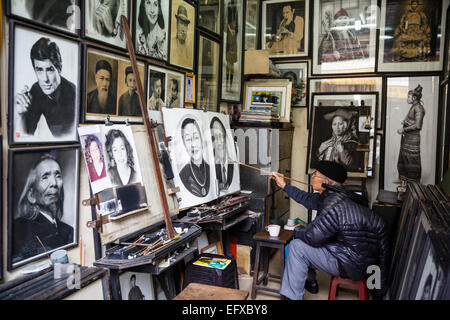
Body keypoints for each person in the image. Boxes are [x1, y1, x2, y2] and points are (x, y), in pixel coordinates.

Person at [270, 160, 388, 300]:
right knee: (306, 236)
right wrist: (284, 185)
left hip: (351, 263)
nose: (312, 176)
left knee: (297, 245)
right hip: (356, 257)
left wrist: (294, 230)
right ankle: (310, 281)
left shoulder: (333, 203)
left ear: (325, 181)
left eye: (315, 175)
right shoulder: (334, 196)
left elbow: (312, 236)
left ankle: (293, 297)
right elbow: (306, 198)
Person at [12, 154, 74, 263]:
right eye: (45, 177)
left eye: (58, 175)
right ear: (31, 195)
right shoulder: (19, 229)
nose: (54, 183)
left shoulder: (68, 230)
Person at [15, 37, 76, 138]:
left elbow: (69, 139)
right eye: (39, 70)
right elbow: (23, 137)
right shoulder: (36, 90)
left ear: (59, 68)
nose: (45, 79)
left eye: (50, 70)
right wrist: (22, 115)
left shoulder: (73, 94)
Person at [397, 84, 425, 183]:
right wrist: (404, 122)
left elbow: (418, 126)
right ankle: (405, 185)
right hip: (407, 139)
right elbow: (410, 120)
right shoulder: (414, 106)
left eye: (409, 96)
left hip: (412, 140)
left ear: (414, 98)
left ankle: (412, 186)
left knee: (411, 162)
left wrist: (404, 130)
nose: (407, 98)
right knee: (405, 160)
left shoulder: (419, 108)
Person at [179, 118, 210, 197]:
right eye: (188, 139)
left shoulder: (211, 170)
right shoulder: (183, 175)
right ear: (184, 144)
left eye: (196, 137)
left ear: (202, 140)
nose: (193, 144)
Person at [210, 117, 233, 190]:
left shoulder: (233, 161)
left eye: (221, 136)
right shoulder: (212, 166)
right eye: (215, 138)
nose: (219, 142)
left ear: (225, 137)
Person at [225, 0, 238, 92]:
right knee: (229, 68)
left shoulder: (233, 27)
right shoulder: (229, 26)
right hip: (230, 47)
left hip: (233, 47)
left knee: (231, 68)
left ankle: (229, 86)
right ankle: (227, 86)